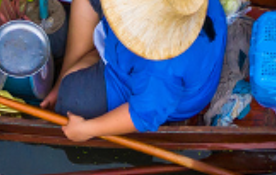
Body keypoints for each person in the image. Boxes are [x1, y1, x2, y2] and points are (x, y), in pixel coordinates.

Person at [40, 0, 225, 141]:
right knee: (66, 80)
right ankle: (85, 59)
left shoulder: (163, 64)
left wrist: (87, 130)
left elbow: (144, 114)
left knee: (71, 96)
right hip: (140, 57)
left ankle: (95, 55)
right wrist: (62, 77)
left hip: (157, 91)